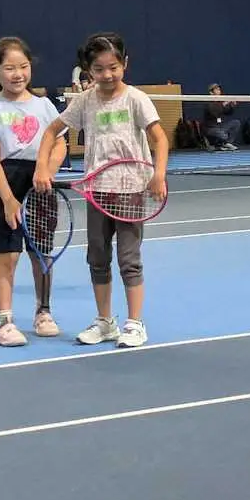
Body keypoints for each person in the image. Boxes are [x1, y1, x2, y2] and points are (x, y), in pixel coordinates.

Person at [35, 32, 168, 348]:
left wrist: (159, 174)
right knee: (97, 258)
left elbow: (160, 138)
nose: (107, 75)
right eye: (99, 69)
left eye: (113, 67)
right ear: (88, 70)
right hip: (97, 193)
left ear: (125, 64)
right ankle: (105, 322)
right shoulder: (84, 101)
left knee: (129, 260)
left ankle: (134, 323)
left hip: (131, 191)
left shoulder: (136, 99)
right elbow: (52, 131)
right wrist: (41, 167)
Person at [0, 37, 67, 347]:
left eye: (23, 67)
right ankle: (5, 322)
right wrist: (8, 199)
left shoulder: (44, 106)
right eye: (9, 68)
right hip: (7, 183)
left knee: (41, 254)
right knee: (8, 256)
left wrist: (47, 171)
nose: (18, 74)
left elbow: (60, 144)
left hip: (39, 183)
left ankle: (44, 312)